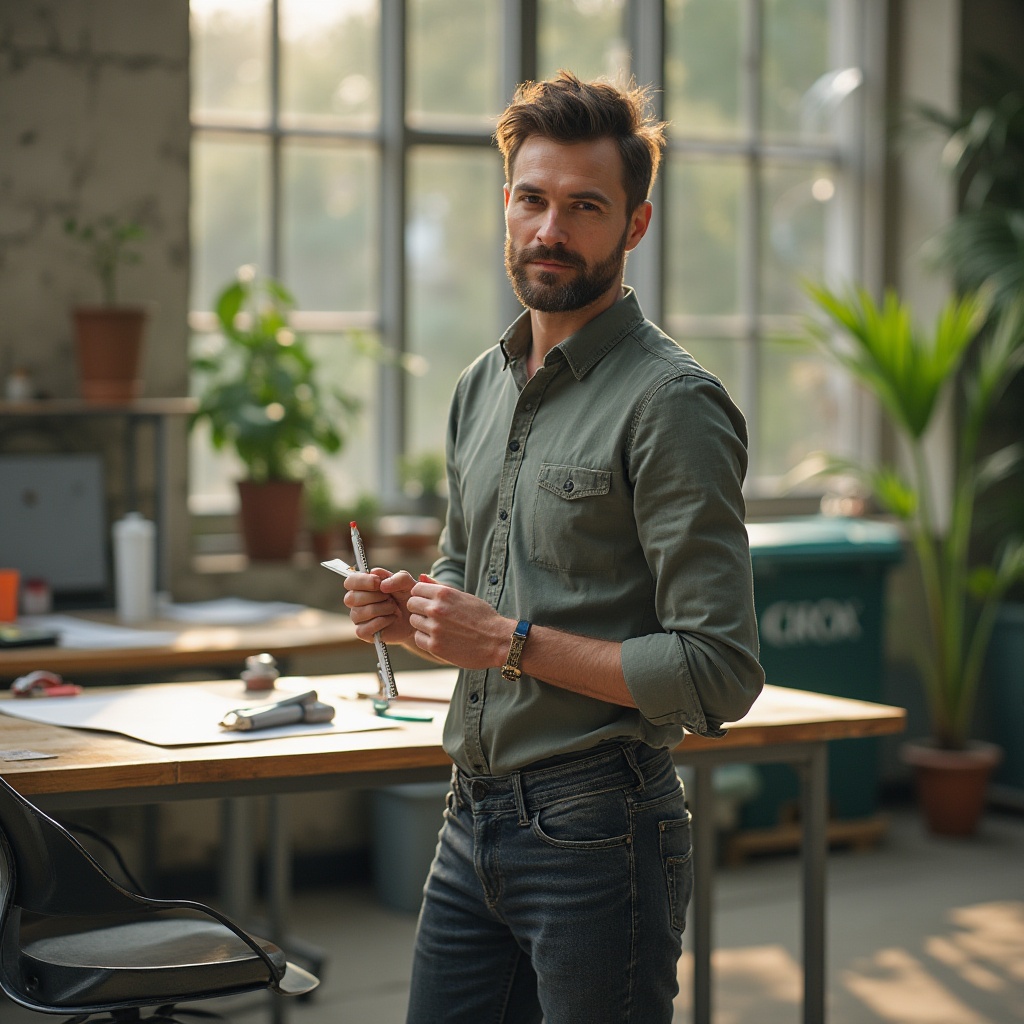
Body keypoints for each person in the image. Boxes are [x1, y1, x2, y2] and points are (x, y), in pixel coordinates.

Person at [344, 69, 764, 1024]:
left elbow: (720, 671)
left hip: (600, 828)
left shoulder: (672, 405)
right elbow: (468, 571)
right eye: (532, 200)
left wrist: (507, 642)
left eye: (585, 206)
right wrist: (416, 610)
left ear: (635, 225)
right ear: (506, 202)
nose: (550, 229)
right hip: (469, 817)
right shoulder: (478, 388)